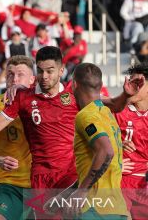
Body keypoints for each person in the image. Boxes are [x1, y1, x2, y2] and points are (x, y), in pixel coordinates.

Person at [0, 46, 143, 217]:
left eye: (50, 71)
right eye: (40, 71)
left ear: (61, 70)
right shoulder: (22, 97)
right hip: (41, 177)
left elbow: (115, 105)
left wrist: (126, 94)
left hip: (71, 175)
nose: (44, 76)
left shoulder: (75, 94)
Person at [58, 63, 128, 219]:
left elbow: (106, 152)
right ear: (101, 85)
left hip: (93, 209)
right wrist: (63, 196)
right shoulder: (107, 114)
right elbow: (97, 166)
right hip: (116, 209)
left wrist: (82, 191)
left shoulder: (86, 115)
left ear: (74, 85)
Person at [0, 55, 35, 220]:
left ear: (32, 79)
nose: (14, 79)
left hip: (41, 184)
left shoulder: (43, 103)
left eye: (20, 74)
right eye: (10, 74)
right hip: (7, 183)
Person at [115, 63, 148, 219]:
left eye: (137, 83)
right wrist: (117, 148)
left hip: (144, 185)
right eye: (130, 82)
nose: (132, 87)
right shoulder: (118, 111)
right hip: (121, 182)